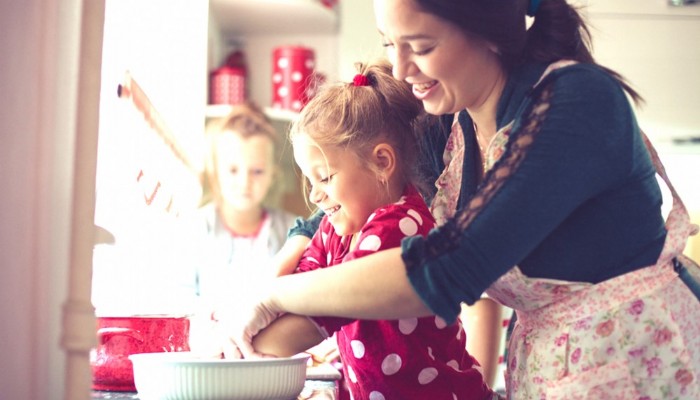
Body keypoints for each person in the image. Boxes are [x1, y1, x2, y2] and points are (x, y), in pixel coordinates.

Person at [219, 0, 700, 398]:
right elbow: (329, 208)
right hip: (553, 369)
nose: (403, 69)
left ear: (488, 30)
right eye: (391, 44)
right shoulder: (447, 122)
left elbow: (447, 268)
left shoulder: (577, 103)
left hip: (639, 362)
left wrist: (275, 294)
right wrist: (250, 315)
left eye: (421, 47)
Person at [247, 60, 496, 399]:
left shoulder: (400, 226)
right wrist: (252, 311)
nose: (314, 194)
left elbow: (326, 308)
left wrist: (242, 344)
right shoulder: (336, 229)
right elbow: (305, 278)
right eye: (309, 180)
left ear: (382, 162)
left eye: (324, 177)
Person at [187, 102, 299, 355]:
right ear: (216, 170)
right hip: (210, 355)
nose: (245, 182)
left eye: (257, 171)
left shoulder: (294, 232)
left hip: (270, 355)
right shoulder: (195, 228)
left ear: (273, 173)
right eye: (233, 170)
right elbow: (181, 302)